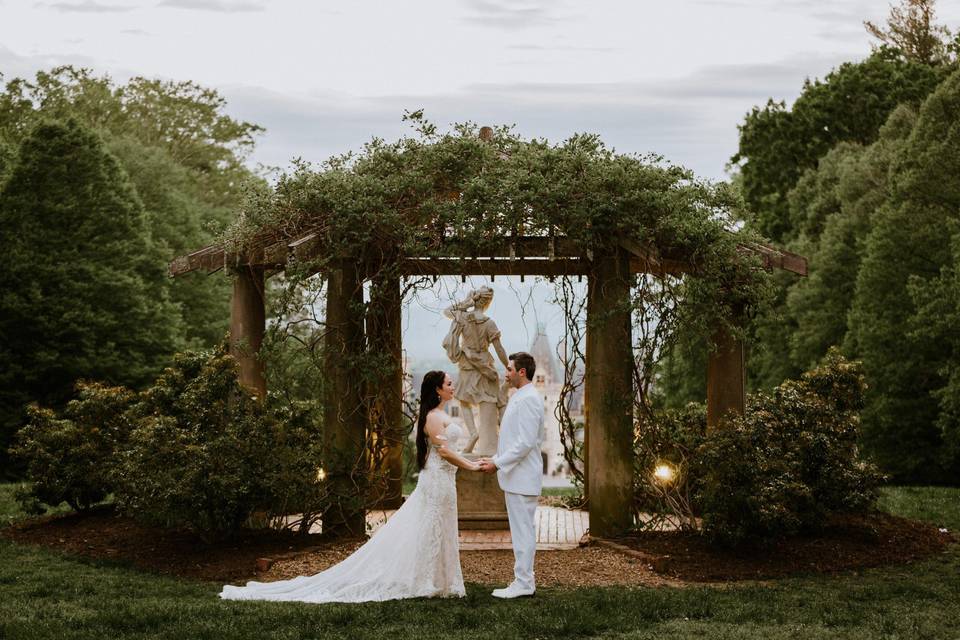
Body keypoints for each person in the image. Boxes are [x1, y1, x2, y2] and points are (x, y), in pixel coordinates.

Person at [219, 371, 479, 604]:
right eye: (449, 383)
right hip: (436, 480)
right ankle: (424, 580)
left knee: (441, 527)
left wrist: (472, 461)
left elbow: (450, 450)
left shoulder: (443, 414)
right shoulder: (433, 417)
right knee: (430, 528)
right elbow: (444, 451)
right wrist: (473, 466)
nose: (452, 385)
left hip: (445, 480)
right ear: (437, 389)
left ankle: (442, 580)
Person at [478, 352, 545, 599]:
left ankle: (524, 583)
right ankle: (523, 580)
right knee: (522, 531)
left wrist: (497, 462)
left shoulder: (528, 399)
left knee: (523, 532)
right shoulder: (523, 396)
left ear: (521, 372)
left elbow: (525, 442)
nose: (505, 373)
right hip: (518, 478)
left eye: (509, 369)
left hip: (522, 477)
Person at [442, 286, 509, 455]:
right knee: (486, 403)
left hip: (467, 363)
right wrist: (508, 365)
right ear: (488, 303)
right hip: (485, 365)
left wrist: (466, 302)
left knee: (464, 400)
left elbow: (447, 311)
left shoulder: (463, 317)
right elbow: (499, 349)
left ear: (476, 298)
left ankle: (473, 433)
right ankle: (489, 443)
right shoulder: (489, 323)